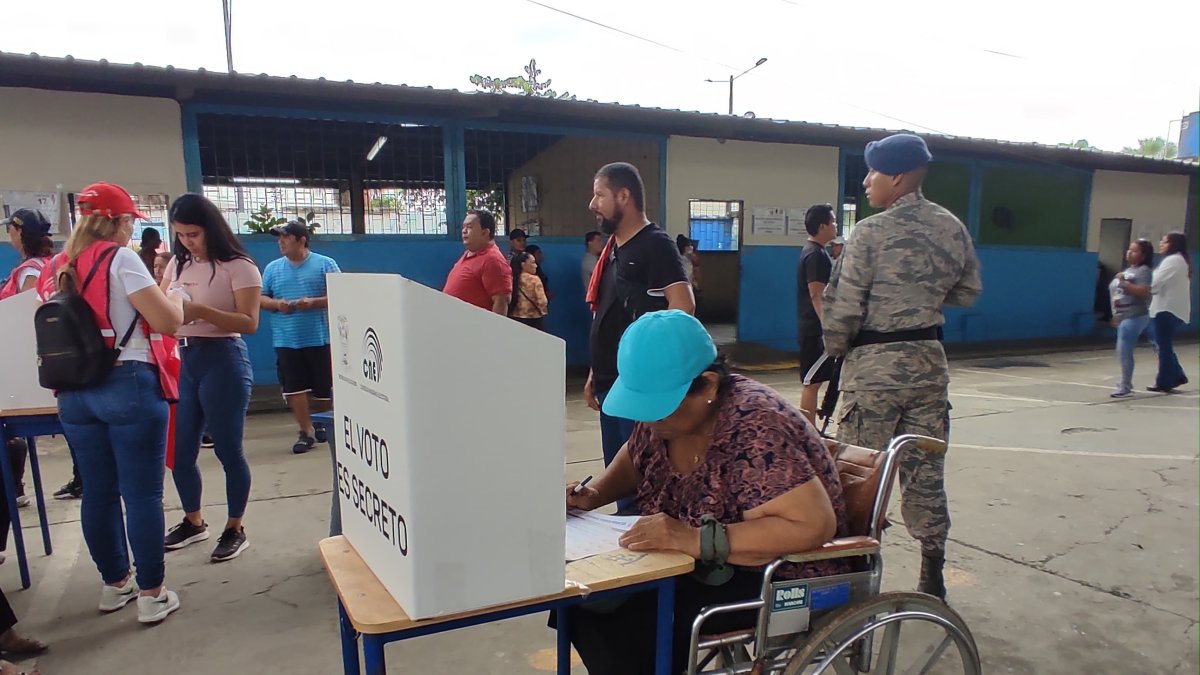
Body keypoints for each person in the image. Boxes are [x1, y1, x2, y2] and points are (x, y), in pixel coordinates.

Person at [562, 310, 847, 674]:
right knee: (581, 596)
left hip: (774, 574)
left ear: (709, 385)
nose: (649, 422)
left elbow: (812, 524)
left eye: (659, 411)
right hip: (697, 562)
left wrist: (696, 539)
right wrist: (595, 493)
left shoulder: (755, 425)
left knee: (631, 617)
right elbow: (636, 457)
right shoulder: (667, 419)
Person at [821, 133, 981, 599]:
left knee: (858, 475)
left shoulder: (870, 233)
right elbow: (968, 290)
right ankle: (932, 567)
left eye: (872, 173)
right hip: (929, 364)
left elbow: (844, 308)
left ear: (896, 177)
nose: (867, 181)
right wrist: (921, 299)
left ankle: (851, 576)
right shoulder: (951, 226)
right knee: (925, 473)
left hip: (874, 370)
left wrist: (836, 349)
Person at [40, 181, 186, 623]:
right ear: (119, 222)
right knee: (141, 496)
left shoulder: (58, 266)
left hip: (74, 394)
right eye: (128, 222)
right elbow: (168, 322)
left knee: (98, 494)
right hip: (128, 385)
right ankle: (152, 594)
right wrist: (176, 296)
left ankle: (114, 584)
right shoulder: (120, 259)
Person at [584, 162, 694, 514]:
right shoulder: (614, 249)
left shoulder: (655, 245)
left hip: (636, 388)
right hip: (609, 384)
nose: (592, 204)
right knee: (618, 481)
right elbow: (607, 314)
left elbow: (683, 306)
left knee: (644, 483)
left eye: (600, 194)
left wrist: (653, 371)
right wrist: (593, 372)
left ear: (624, 196)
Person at [160, 193, 261, 563]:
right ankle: (193, 520)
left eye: (194, 234)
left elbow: (249, 322)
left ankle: (235, 527)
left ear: (211, 229)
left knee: (227, 450)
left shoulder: (239, 266)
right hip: (185, 359)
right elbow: (161, 304)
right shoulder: (178, 264)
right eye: (181, 235)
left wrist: (199, 310)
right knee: (181, 452)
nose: (187, 241)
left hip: (224, 359)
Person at [260, 220, 341, 453]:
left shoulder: (325, 264)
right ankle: (305, 432)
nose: (281, 243)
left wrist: (314, 302)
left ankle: (321, 421)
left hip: (319, 337)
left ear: (301, 240)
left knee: (323, 388)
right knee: (294, 388)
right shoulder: (273, 269)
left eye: (285, 238)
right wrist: (277, 304)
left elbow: (341, 294)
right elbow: (261, 298)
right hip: (286, 339)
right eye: (279, 239)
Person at [2, 209, 56, 509]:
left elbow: (28, 312)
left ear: (19, 232)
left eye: (10, 229)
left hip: (27, 368)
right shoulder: (48, 263)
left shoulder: (31, 270)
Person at [797, 204, 838, 423]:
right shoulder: (815, 255)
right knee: (811, 383)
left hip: (813, 327)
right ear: (822, 226)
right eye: (833, 222)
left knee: (815, 381)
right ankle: (808, 432)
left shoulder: (816, 252)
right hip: (815, 329)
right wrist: (827, 326)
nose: (836, 226)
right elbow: (816, 293)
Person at [443, 209, 512, 315]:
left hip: (474, 328)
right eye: (463, 227)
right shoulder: (469, 253)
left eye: (469, 227)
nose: (464, 231)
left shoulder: (493, 260)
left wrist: (496, 331)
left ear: (485, 232)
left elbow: (501, 301)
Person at [1147, 232, 1192, 393]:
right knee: (1161, 344)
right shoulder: (1178, 260)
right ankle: (1176, 375)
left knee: (1162, 345)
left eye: (1164, 242)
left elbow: (1155, 282)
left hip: (1166, 310)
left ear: (1173, 244)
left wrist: (1144, 288)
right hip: (1166, 309)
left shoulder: (1173, 261)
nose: (1161, 244)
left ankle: (1165, 380)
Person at [1109, 239, 1155, 397]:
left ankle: (1126, 385)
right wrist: (1116, 315)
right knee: (1121, 350)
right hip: (1123, 315)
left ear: (1143, 255)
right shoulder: (1129, 269)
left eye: (1134, 251)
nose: (1129, 253)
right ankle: (1125, 381)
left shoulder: (1144, 271)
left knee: (1124, 350)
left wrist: (1124, 282)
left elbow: (1143, 292)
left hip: (1135, 315)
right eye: (1129, 249)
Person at [510, 251, 549, 330]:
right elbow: (543, 301)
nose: (536, 266)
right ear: (523, 265)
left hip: (514, 317)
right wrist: (543, 310)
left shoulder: (512, 278)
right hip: (533, 318)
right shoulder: (534, 279)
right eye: (533, 263)